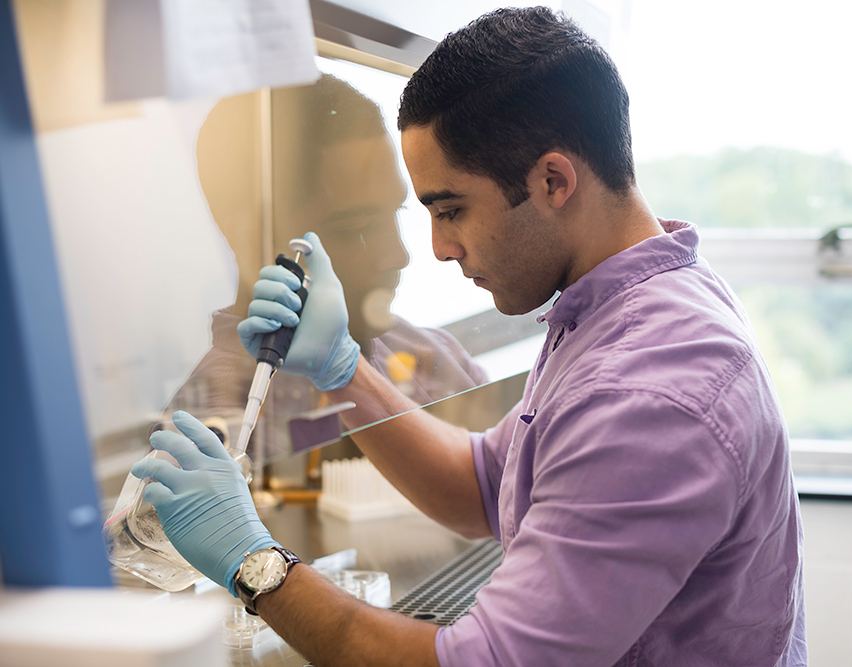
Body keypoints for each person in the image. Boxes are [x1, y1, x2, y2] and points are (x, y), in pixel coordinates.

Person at [133, 7, 808, 666]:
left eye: (450, 209)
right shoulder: (621, 305)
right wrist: (343, 369)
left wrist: (257, 564)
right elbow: (483, 483)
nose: (435, 248)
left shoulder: (645, 389)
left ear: (552, 180)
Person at [164, 74, 486, 462]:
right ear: (252, 238)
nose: (398, 255)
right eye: (357, 228)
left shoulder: (434, 355)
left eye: (395, 212)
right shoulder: (205, 436)